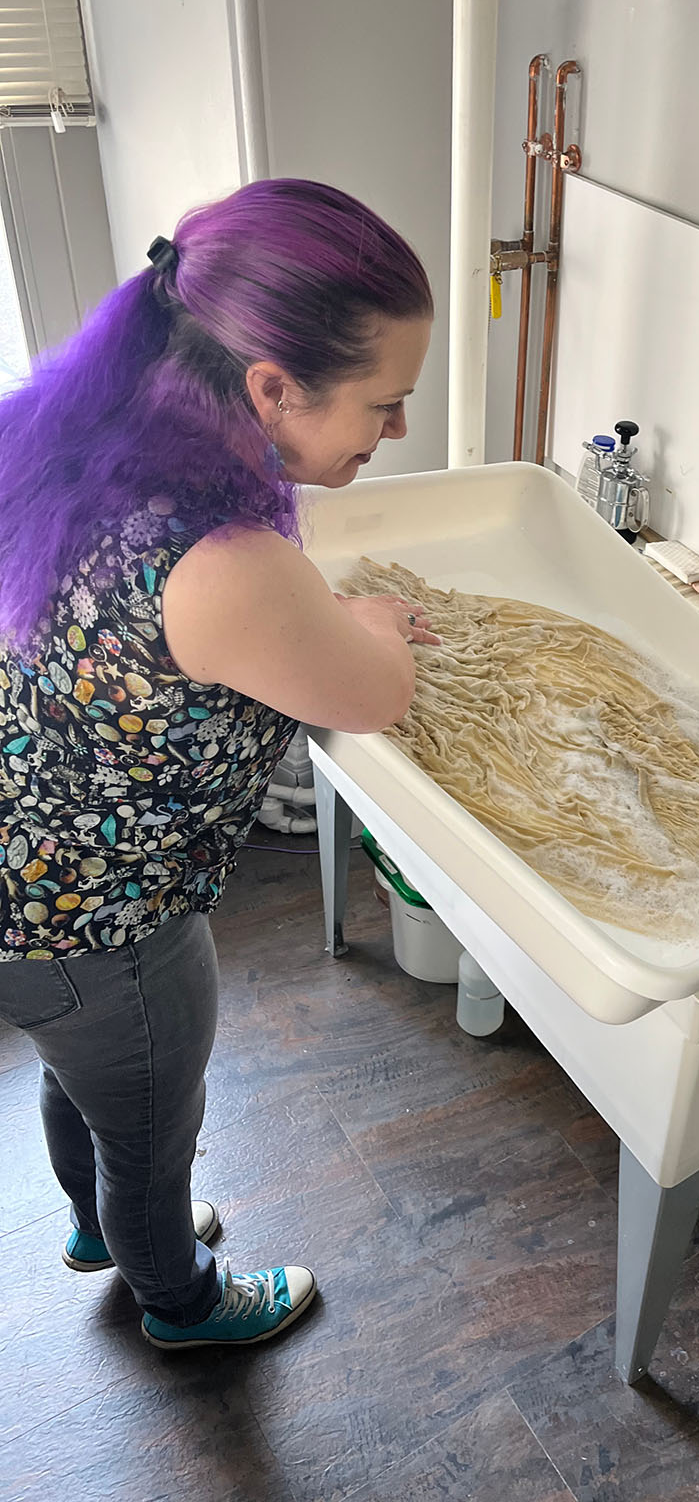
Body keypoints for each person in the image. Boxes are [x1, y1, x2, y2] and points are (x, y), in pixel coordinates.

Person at [0, 178, 441, 1349]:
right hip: (99, 918)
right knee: (153, 1121)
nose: (393, 435)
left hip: (25, 884)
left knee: (81, 1080)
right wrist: (376, 622)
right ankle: (179, 1299)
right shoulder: (223, 553)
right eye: (386, 405)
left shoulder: (98, 428)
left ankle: (103, 1227)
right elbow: (375, 692)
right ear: (270, 387)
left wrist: (322, 607)